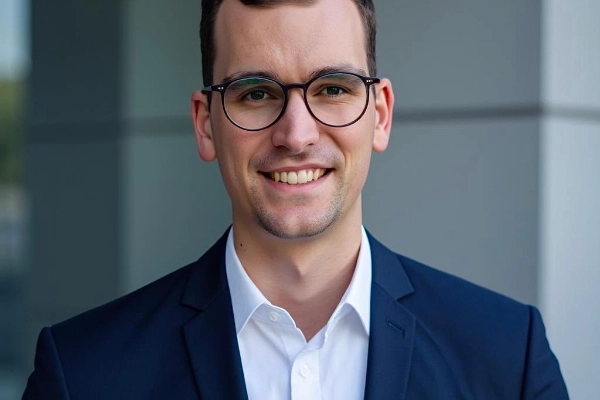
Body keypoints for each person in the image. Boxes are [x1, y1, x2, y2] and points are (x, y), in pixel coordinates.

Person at [22, 0, 569, 399]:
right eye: (256, 93)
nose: (296, 134)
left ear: (379, 115)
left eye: (332, 89)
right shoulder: (83, 375)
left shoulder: (508, 358)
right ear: (205, 125)